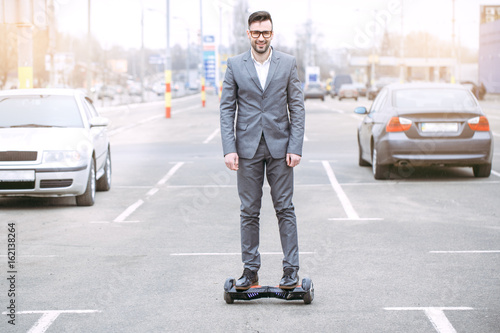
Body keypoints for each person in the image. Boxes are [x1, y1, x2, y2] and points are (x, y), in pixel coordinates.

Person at [220, 11, 305, 290]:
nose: (261, 37)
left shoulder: (288, 63)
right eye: (256, 32)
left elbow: (297, 107)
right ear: (248, 34)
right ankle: (250, 270)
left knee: (285, 208)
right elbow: (227, 109)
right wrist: (229, 149)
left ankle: (291, 270)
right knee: (249, 211)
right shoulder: (234, 65)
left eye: (266, 32)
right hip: (246, 149)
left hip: (281, 149)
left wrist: (295, 146)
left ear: (272, 33)